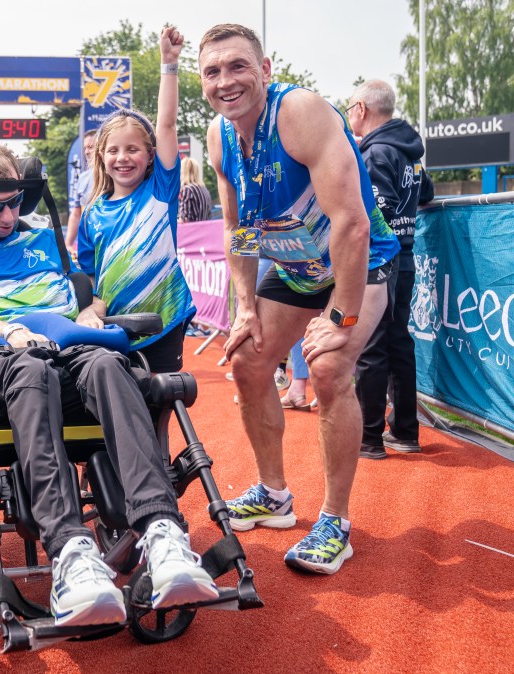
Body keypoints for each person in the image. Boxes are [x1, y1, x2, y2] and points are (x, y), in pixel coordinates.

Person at [0, 142, 218, 628]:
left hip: (71, 352)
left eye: (15, 202)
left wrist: (92, 314)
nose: (7, 214)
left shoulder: (44, 240)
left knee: (110, 363)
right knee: (32, 369)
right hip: (6, 360)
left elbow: (83, 296)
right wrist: (12, 331)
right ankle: (69, 553)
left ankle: (162, 531)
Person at [201, 23, 400, 574]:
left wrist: (341, 314)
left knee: (331, 366)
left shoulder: (301, 114)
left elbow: (353, 224)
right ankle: (274, 494)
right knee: (246, 358)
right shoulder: (219, 137)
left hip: (356, 262)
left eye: (238, 66)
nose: (226, 81)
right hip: (294, 267)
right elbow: (238, 227)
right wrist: (244, 304)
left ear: (265, 70)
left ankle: (334, 522)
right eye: (212, 72)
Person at [76, 26, 196, 375]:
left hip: (165, 318)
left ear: (150, 155)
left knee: (162, 400)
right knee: (120, 405)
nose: (123, 157)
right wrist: (90, 309)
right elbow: (87, 274)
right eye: (113, 150)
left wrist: (168, 64)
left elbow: (167, 125)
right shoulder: (93, 214)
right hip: (113, 328)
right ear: (100, 157)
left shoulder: (160, 190)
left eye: (133, 149)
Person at [347, 80, 433, 459]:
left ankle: (368, 438)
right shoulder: (409, 152)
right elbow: (426, 193)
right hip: (408, 259)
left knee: (372, 344)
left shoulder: (375, 153)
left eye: (350, 107)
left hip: (382, 263)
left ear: (362, 109)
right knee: (398, 341)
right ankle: (406, 432)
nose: (349, 114)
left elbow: (374, 213)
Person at [64, 129, 96, 255]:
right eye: (85, 148)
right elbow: (76, 214)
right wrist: (68, 244)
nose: (87, 152)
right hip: (87, 243)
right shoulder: (83, 178)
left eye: (91, 147)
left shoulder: (114, 175)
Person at [178, 157, 212, 222]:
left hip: (193, 230)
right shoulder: (204, 190)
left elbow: (184, 219)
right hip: (205, 229)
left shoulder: (187, 190)